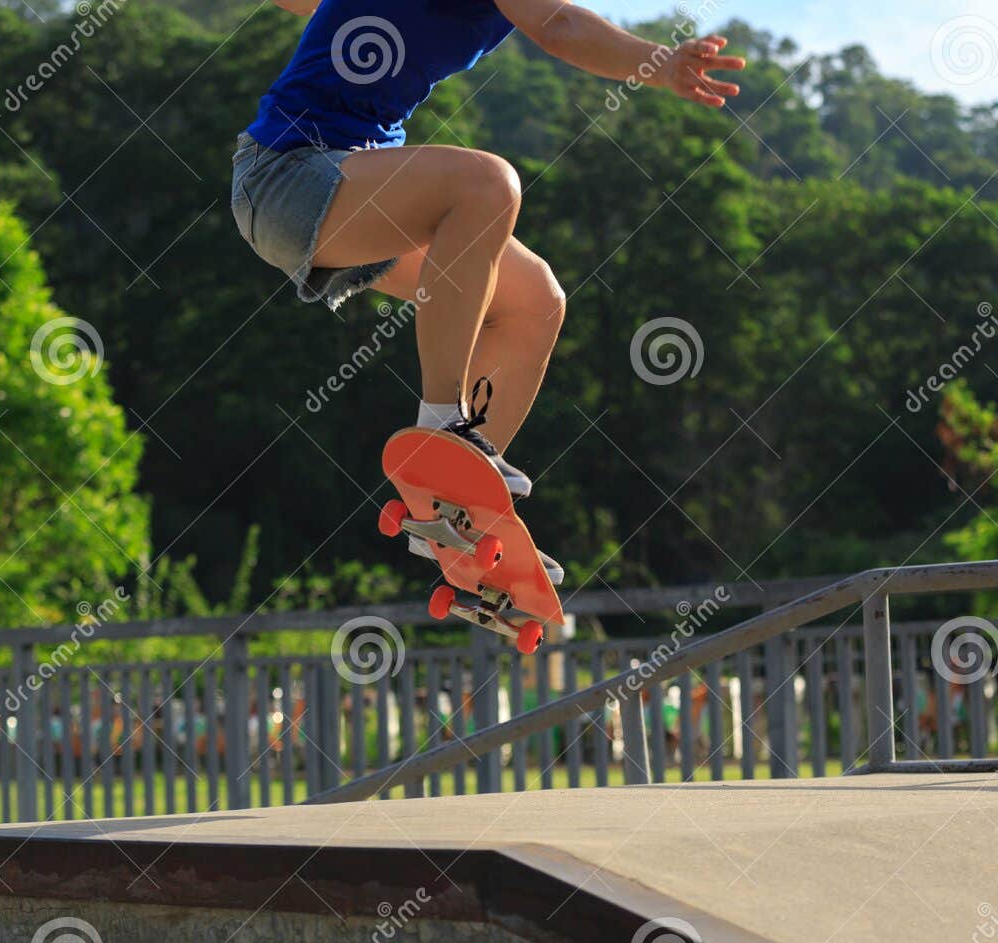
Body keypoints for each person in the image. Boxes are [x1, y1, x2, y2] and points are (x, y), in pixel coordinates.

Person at [233, 1, 745, 582]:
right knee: (486, 184)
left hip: (358, 191)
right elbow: (560, 27)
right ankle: (442, 426)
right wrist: (659, 61)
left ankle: (451, 516)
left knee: (534, 301)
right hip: (286, 175)